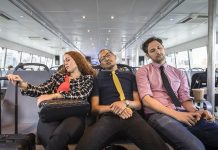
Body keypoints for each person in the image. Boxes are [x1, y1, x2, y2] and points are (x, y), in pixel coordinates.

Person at [76, 49, 169, 150]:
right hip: (108, 117)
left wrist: (125, 103)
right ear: (100, 64)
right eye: (102, 58)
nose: (106, 58)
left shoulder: (130, 76)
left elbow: (138, 104)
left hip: (131, 115)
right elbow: (95, 109)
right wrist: (115, 107)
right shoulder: (97, 79)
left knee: (159, 147)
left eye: (108, 55)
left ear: (115, 57)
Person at [136, 37, 218, 150]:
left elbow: (184, 99)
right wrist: (177, 115)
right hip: (158, 114)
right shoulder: (143, 71)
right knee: (195, 147)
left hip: (182, 111)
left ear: (164, 48)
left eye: (159, 48)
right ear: (148, 55)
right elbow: (146, 100)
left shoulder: (179, 72)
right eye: (152, 50)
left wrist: (196, 111)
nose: (157, 51)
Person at [7, 51, 96, 150]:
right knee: (48, 137)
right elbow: (41, 89)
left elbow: (81, 94)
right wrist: (22, 84)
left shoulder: (87, 79)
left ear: (78, 61)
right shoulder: (58, 77)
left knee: (59, 136)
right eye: (64, 61)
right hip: (52, 113)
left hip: (74, 116)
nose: (65, 63)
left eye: (68, 60)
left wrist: (53, 96)